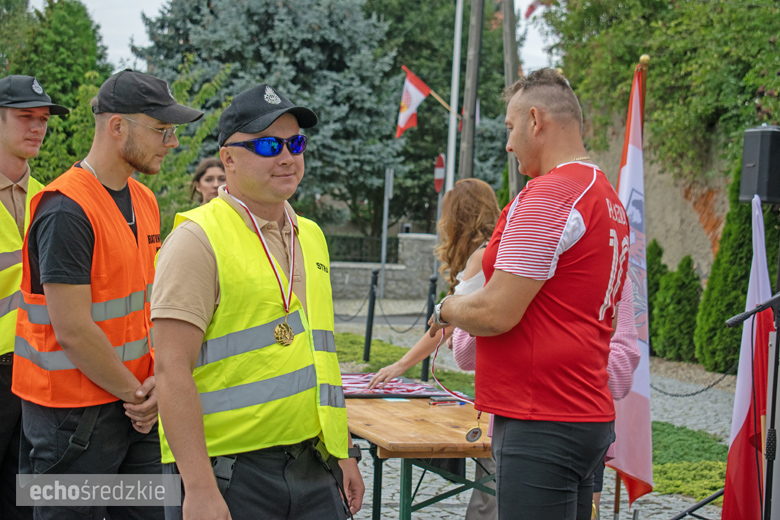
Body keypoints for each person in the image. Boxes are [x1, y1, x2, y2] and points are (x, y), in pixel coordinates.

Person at [151, 83, 364, 520]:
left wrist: (342, 454)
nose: (287, 156)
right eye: (268, 145)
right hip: (231, 473)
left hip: (314, 466)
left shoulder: (312, 236)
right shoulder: (196, 239)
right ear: (227, 158)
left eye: (296, 142)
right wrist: (198, 488)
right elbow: (172, 371)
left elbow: (320, 357)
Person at [427, 68, 631, 520]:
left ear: (535, 121)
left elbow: (497, 311)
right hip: (583, 410)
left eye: (510, 127)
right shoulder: (607, 197)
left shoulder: (550, 195)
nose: (508, 143)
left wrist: (446, 309)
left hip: (542, 416)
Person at [13, 69, 203, 520]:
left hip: (132, 411)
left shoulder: (144, 200)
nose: (171, 142)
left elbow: (146, 307)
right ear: (117, 126)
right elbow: (74, 331)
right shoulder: (65, 209)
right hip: (71, 421)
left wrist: (154, 390)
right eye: (162, 130)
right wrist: (141, 396)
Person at [450, 278, 640, 520]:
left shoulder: (613, 269)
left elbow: (621, 377)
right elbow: (465, 354)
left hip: (585, 430)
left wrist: (547, 349)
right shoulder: (516, 264)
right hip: (520, 426)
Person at [0, 74, 68, 520]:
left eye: (43, 119)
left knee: (29, 499)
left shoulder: (50, 200)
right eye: (26, 117)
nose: (38, 128)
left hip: (41, 375)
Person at [367, 178, 500, 390]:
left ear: (460, 217)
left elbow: (445, 324)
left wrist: (400, 365)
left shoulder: (481, 255)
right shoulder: (494, 247)